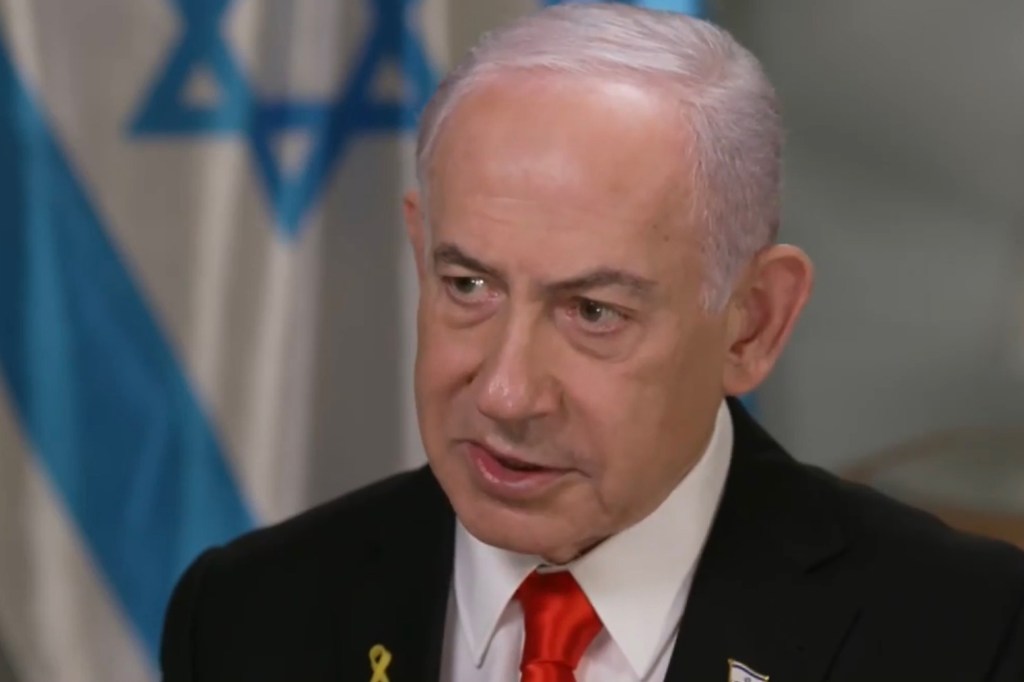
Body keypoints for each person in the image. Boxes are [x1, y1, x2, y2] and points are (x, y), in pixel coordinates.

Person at [160, 4, 1024, 681]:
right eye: (469, 286)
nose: (505, 392)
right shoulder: (246, 617)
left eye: (593, 313)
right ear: (419, 250)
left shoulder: (966, 637)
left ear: (753, 321)